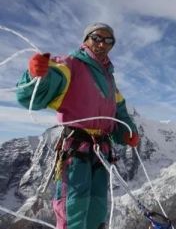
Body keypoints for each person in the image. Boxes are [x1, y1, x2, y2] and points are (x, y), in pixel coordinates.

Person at [16, 22, 140, 229]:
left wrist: (127, 132)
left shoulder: (110, 78)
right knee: (73, 205)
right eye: (96, 38)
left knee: (97, 206)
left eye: (108, 41)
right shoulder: (70, 64)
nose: (101, 44)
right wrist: (36, 76)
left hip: (101, 150)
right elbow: (43, 87)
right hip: (76, 146)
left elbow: (118, 111)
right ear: (86, 40)